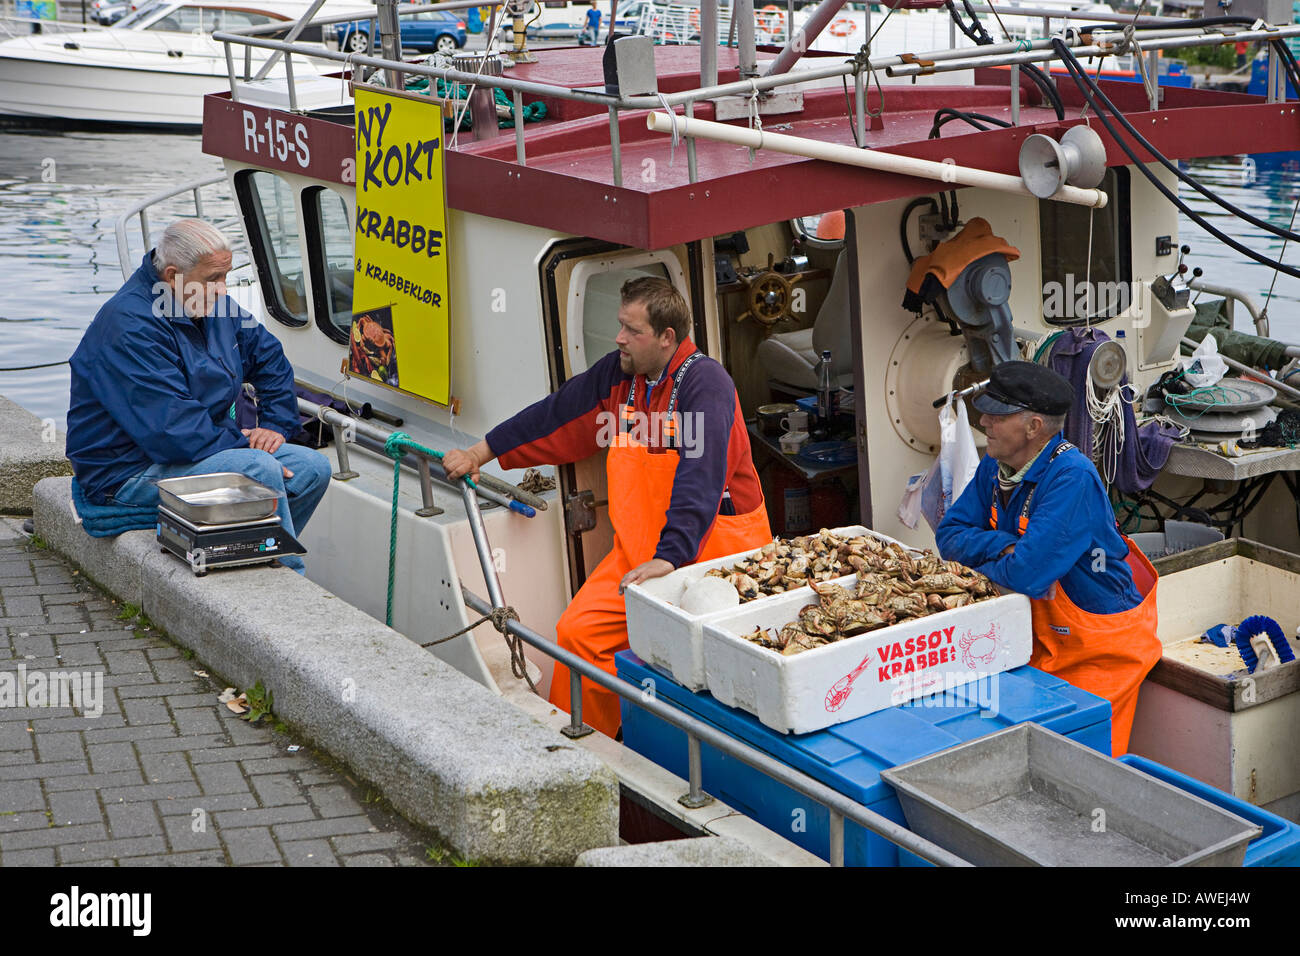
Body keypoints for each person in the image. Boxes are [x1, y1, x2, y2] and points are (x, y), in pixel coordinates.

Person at [444, 277, 771, 737]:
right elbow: (556, 414)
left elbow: (701, 475)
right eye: (620, 325)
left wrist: (670, 556)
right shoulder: (618, 374)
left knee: (714, 669)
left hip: (717, 559)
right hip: (641, 556)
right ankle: (579, 752)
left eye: (631, 330)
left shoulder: (706, 384)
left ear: (666, 338)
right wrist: (483, 451)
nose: (619, 338)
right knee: (577, 634)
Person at [66, 218, 332, 574]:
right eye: (213, 279)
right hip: (126, 472)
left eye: (226, 276)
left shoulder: (215, 305)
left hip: (199, 448)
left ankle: (250, 558)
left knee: (313, 469)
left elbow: (270, 359)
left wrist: (275, 426)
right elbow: (172, 433)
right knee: (258, 470)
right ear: (173, 276)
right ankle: (287, 579)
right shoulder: (129, 326)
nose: (223, 289)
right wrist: (240, 441)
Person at [934, 361, 1161, 756]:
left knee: (1079, 763)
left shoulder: (1073, 477)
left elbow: (1026, 574)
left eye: (996, 415)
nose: (983, 421)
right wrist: (1004, 545)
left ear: (1034, 427)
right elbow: (948, 537)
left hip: (1098, 648)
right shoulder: (996, 464)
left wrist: (1001, 554)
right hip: (1034, 635)